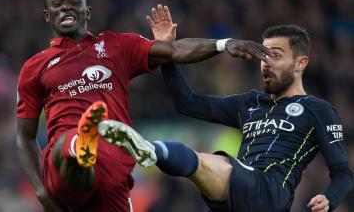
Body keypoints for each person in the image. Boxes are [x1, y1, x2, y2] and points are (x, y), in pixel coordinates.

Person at [16, 0, 272, 212]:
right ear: (47, 16)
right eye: (57, 4)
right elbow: (25, 136)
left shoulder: (116, 46)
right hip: (63, 167)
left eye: (74, 2)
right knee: (68, 143)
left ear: (88, 12)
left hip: (114, 170)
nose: (66, 8)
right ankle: (83, 141)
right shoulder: (34, 67)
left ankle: (86, 145)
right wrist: (41, 193)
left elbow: (173, 51)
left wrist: (223, 44)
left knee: (87, 159)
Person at [99, 25, 354, 212]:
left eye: (275, 55)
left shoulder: (318, 109)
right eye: (262, 55)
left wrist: (330, 198)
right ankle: (151, 150)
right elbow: (187, 103)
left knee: (208, 161)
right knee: (210, 167)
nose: (265, 63)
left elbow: (343, 172)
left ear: (301, 63)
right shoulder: (250, 102)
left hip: (270, 194)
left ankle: (150, 149)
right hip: (234, 198)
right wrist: (168, 57)